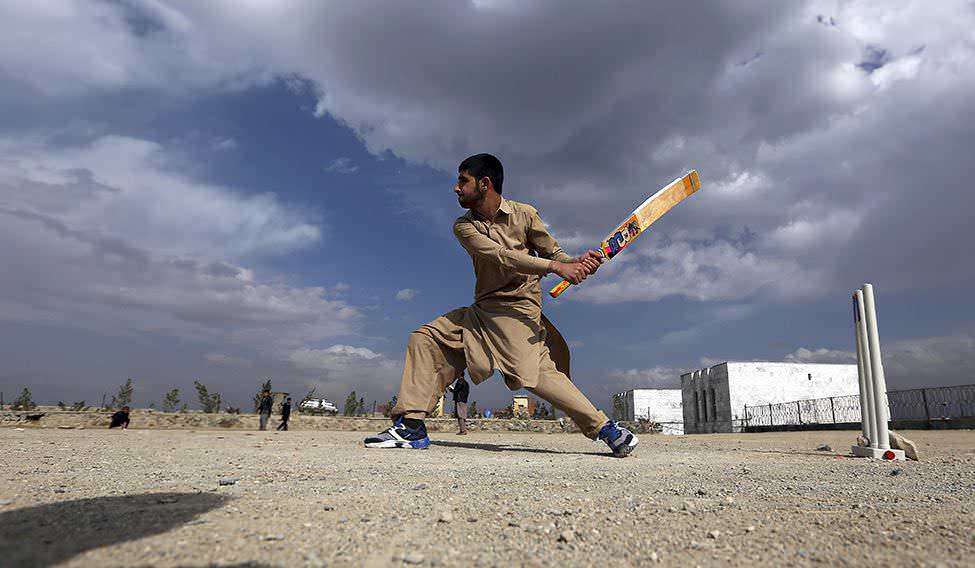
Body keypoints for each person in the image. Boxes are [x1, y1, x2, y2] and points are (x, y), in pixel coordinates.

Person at [364, 153, 638, 456]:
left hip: (519, 309)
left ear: (484, 184)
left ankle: (607, 429)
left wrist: (576, 263)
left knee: (534, 374)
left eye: (462, 181)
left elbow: (555, 254)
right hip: (483, 310)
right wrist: (557, 268)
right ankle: (412, 427)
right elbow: (499, 255)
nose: (456, 188)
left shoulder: (525, 214)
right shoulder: (464, 226)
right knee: (427, 338)